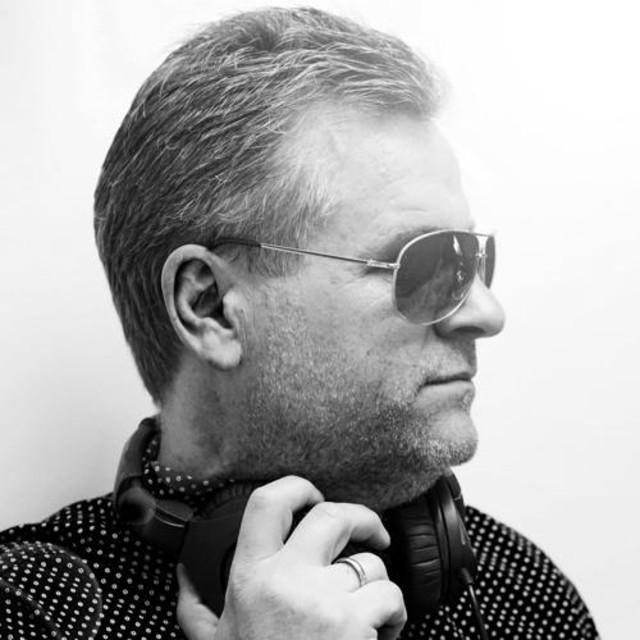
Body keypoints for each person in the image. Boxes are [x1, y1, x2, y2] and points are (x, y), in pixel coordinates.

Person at [0, 7, 599, 639]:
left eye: (471, 262)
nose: (486, 313)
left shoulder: (526, 597)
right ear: (211, 307)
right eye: (423, 264)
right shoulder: (30, 614)